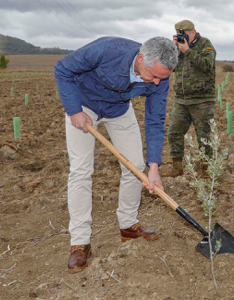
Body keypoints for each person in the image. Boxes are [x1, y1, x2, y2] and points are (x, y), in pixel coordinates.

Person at [54, 36, 178, 273]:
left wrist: (154, 166)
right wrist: (74, 111)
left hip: (118, 110)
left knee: (136, 165)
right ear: (141, 58)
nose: (155, 83)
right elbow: (63, 68)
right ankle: (80, 242)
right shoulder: (107, 50)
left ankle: (128, 225)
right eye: (153, 75)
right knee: (81, 170)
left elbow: (155, 120)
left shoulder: (160, 78)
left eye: (162, 78)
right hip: (84, 104)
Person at [164, 20, 216, 178]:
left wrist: (188, 51)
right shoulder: (179, 47)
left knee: (204, 136)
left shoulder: (205, 44)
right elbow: (169, 66)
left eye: (184, 34)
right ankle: (177, 168)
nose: (182, 37)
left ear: (192, 32)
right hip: (181, 100)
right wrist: (174, 49)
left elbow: (207, 65)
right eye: (179, 34)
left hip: (202, 100)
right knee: (174, 133)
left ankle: (205, 171)